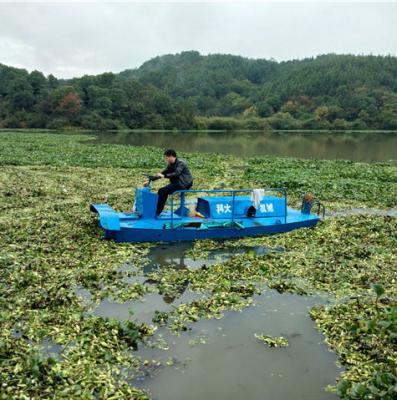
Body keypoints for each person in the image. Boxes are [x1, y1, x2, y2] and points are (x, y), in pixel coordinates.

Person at [153, 149, 193, 216]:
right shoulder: (171, 165)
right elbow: (164, 172)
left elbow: (177, 173)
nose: (166, 159)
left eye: (167, 158)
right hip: (177, 183)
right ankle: (157, 210)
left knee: (163, 191)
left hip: (184, 183)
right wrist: (152, 178)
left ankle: (157, 212)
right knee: (161, 191)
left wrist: (164, 176)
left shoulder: (180, 163)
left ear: (171, 156)